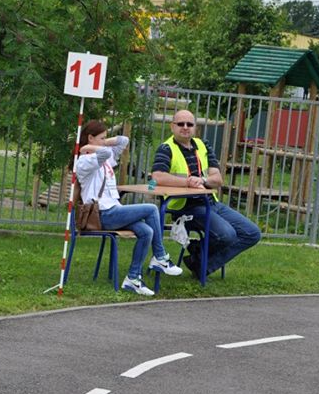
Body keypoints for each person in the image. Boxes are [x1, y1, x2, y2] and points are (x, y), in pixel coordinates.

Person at [74, 120, 183, 296]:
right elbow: (101, 154)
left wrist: (100, 142)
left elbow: (123, 141)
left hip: (113, 210)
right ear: (90, 138)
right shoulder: (84, 162)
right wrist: (89, 147)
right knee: (151, 209)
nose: (105, 141)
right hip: (102, 214)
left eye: (105, 137)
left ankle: (133, 278)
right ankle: (160, 257)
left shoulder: (104, 154)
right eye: (101, 137)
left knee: (146, 231)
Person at [150, 109, 261, 279]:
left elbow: (217, 179)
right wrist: (187, 182)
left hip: (211, 203)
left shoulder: (203, 145)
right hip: (185, 208)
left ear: (195, 127)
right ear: (172, 126)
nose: (185, 127)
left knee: (252, 233)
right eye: (180, 124)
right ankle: (200, 262)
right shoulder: (166, 148)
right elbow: (157, 177)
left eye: (189, 124)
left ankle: (199, 262)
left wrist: (202, 181)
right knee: (227, 235)